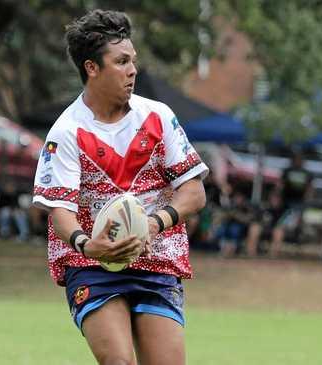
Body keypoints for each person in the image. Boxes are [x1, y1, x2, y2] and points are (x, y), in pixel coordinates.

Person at [31, 10, 208, 365]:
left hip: (156, 260)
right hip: (92, 262)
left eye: (133, 61)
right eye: (121, 61)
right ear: (92, 68)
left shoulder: (158, 117)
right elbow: (60, 213)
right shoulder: (66, 133)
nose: (133, 70)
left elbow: (194, 192)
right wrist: (88, 244)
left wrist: (153, 224)